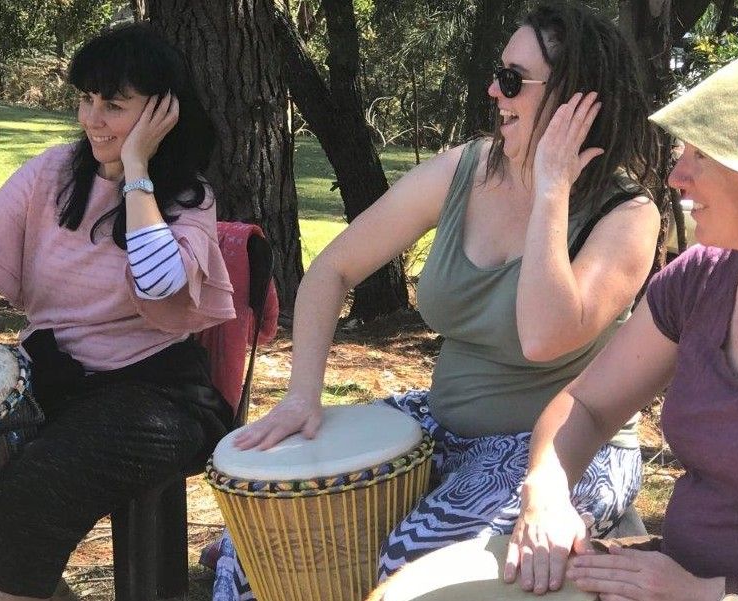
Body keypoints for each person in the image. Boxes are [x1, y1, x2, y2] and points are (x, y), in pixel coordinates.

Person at [211, 3, 663, 599]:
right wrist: (302, 397)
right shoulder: (465, 170)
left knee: (411, 561)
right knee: (264, 547)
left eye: (511, 80)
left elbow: (544, 336)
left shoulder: (627, 215)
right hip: (442, 423)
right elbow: (333, 268)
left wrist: (552, 189)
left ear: (576, 100)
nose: (492, 91)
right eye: (497, 73)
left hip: (562, 456)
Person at [0, 23, 235, 601]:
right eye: (86, 100)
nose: (92, 119)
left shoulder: (186, 199)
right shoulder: (50, 173)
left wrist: (137, 170)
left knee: (36, 487)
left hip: (152, 395)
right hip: (48, 380)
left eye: (114, 106)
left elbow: (157, 281)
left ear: (162, 113)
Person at [505, 41, 738, 601]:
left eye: (704, 154)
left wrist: (709, 594)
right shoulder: (699, 281)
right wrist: (546, 496)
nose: (677, 175)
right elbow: (588, 403)